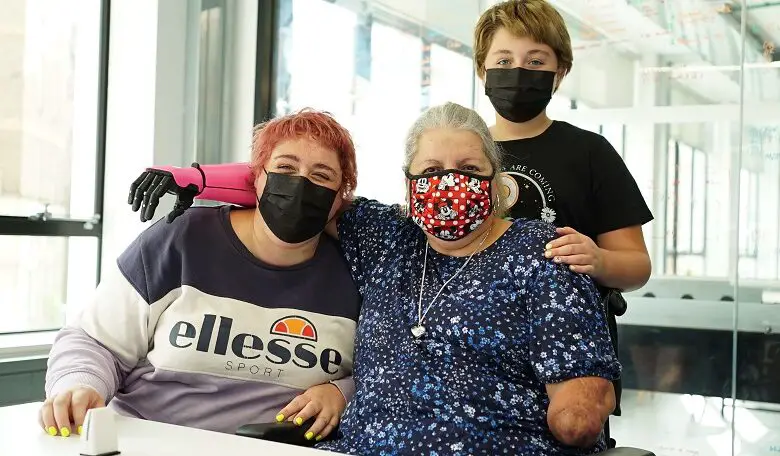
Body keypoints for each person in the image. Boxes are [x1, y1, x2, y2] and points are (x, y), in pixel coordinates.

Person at [130, 102, 621, 455]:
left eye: (469, 169)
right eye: (431, 170)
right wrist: (196, 178)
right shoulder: (387, 237)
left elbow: (579, 412)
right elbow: (297, 181)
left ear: (498, 184)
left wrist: (578, 412)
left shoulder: (543, 252)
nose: (449, 182)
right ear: (408, 186)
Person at [38, 109, 361, 442]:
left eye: (322, 176)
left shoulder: (357, 270)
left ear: (341, 197)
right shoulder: (183, 239)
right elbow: (94, 341)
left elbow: (391, 368)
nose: (299, 185)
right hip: (148, 442)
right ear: (256, 178)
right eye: (284, 168)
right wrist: (79, 385)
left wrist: (343, 392)